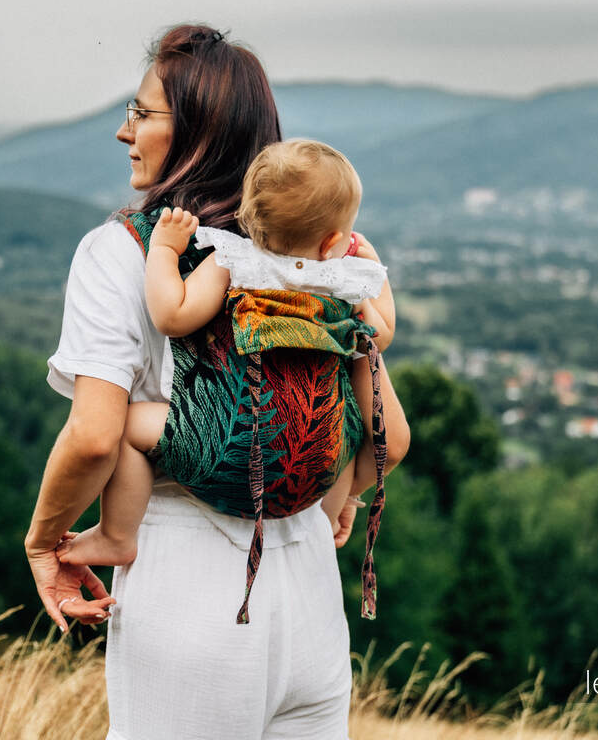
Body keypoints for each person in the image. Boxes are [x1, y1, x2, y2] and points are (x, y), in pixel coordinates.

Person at [25, 24, 410, 740]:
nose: (124, 131)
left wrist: (44, 541)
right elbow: (372, 404)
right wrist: (345, 488)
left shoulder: (126, 251)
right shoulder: (320, 256)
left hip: (188, 587)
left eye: (142, 112)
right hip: (310, 583)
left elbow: (96, 436)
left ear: (197, 129)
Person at [57, 140, 396, 593]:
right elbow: (379, 336)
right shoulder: (343, 282)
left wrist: (164, 251)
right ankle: (332, 515)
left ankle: (116, 536)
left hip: (226, 450)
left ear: (248, 216)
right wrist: (372, 272)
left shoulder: (233, 261)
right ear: (334, 241)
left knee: (127, 425)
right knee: (363, 431)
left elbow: (173, 316)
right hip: (315, 469)